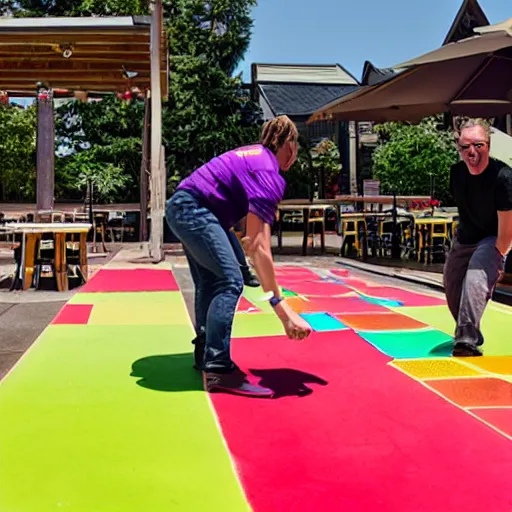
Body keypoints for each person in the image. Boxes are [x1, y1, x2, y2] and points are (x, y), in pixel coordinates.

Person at [166, 115, 312, 397]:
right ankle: (219, 369)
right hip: (196, 210)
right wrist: (283, 311)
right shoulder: (268, 170)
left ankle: (206, 355)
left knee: (214, 281)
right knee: (229, 282)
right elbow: (259, 245)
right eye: (295, 145)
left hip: (184, 207)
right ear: (290, 145)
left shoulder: (252, 156)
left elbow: (251, 237)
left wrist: (248, 256)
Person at [444, 118, 512, 357]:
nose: (472, 152)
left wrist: (497, 258)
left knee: (476, 274)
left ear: (489, 146)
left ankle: (465, 340)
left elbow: (506, 233)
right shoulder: (456, 173)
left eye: (478, 145)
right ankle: (471, 329)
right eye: (465, 147)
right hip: (465, 237)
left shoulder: (503, 177)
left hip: (492, 237)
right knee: (453, 288)